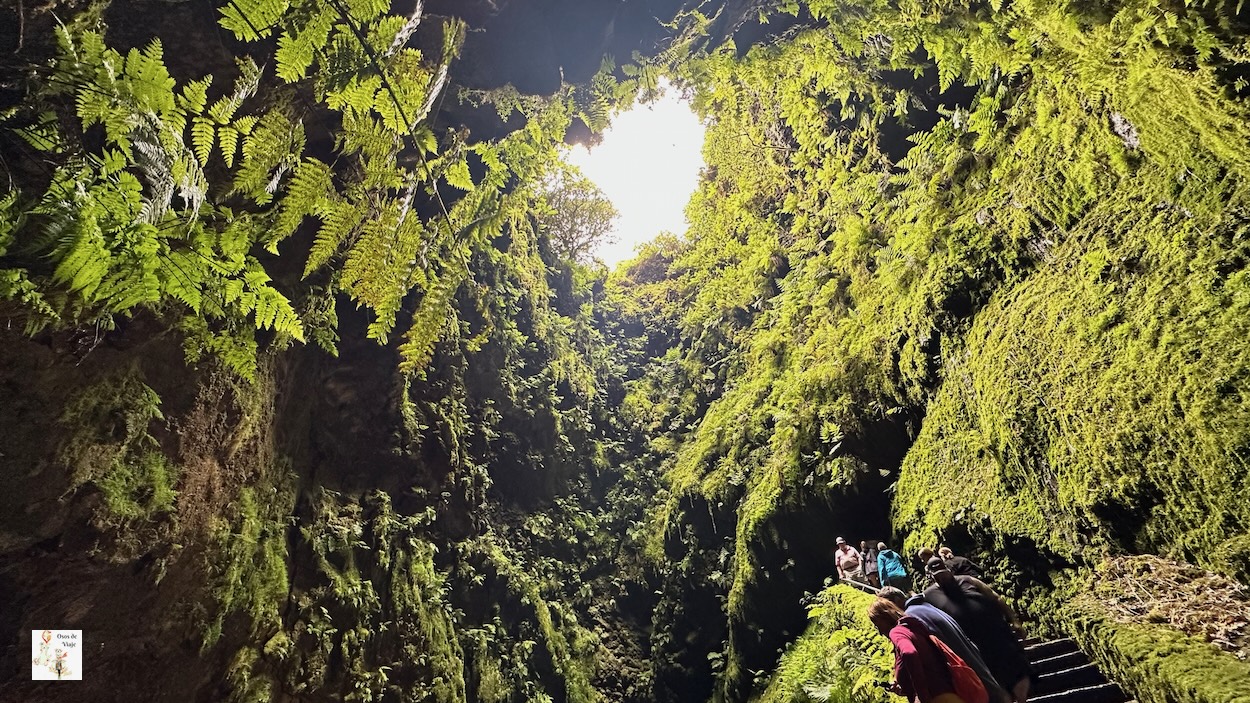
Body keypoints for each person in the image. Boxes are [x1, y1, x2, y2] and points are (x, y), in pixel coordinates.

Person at [923, 558, 1032, 703]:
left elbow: (995, 597)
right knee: (995, 679)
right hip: (973, 646)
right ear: (931, 576)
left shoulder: (968, 580)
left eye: (944, 573)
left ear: (949, 570)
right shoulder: (929, 595)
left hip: (998, 634)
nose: (942, 577)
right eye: (937, 575)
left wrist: (1014, 620)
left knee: (1018, 670)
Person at [878, 587, 1010, 703]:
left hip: (964, 679)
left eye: (887, 606)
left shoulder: (912, 617)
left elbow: (922, 654)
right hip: (976, 669)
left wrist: (921, 693)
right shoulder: (925, 606)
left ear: (897, 601)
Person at [868, 598, 971, 703]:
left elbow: (909, 653)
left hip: (936, 697)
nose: (879, 631)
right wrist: (906, 687)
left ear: (884, 617)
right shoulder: (912, 628)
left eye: (877, 624)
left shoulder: (896, 632)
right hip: (949, 694)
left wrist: (921, 696)